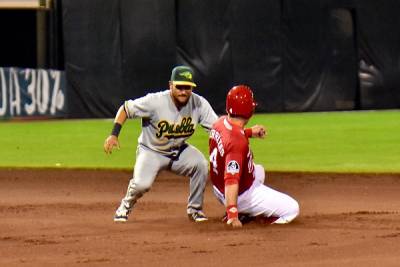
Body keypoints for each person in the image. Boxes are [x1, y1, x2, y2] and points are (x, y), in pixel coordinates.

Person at [104, 65, 218, 223]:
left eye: (188, 87)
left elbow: (218, 128)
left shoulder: (198, 103)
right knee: (141, 185)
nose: (184, 91)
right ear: (170, 85)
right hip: (151, 151)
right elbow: (125, 109)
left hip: (179, 152)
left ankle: (195, 210)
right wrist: (113, 134)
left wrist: (244, 133)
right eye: (179, 87)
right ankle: (125, 206)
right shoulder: (154, 101)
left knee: (200, 164)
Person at [209, 85, 299, 228]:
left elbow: (230, 137)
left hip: (218, 188)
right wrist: (232, 213)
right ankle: (259, 220)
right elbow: (231, 180)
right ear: (249, 110)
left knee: (259, 170)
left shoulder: (219, 123)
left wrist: (249, 132)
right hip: (238, 194)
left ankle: (241, 210)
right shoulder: (237, 142)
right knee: (292, 209)